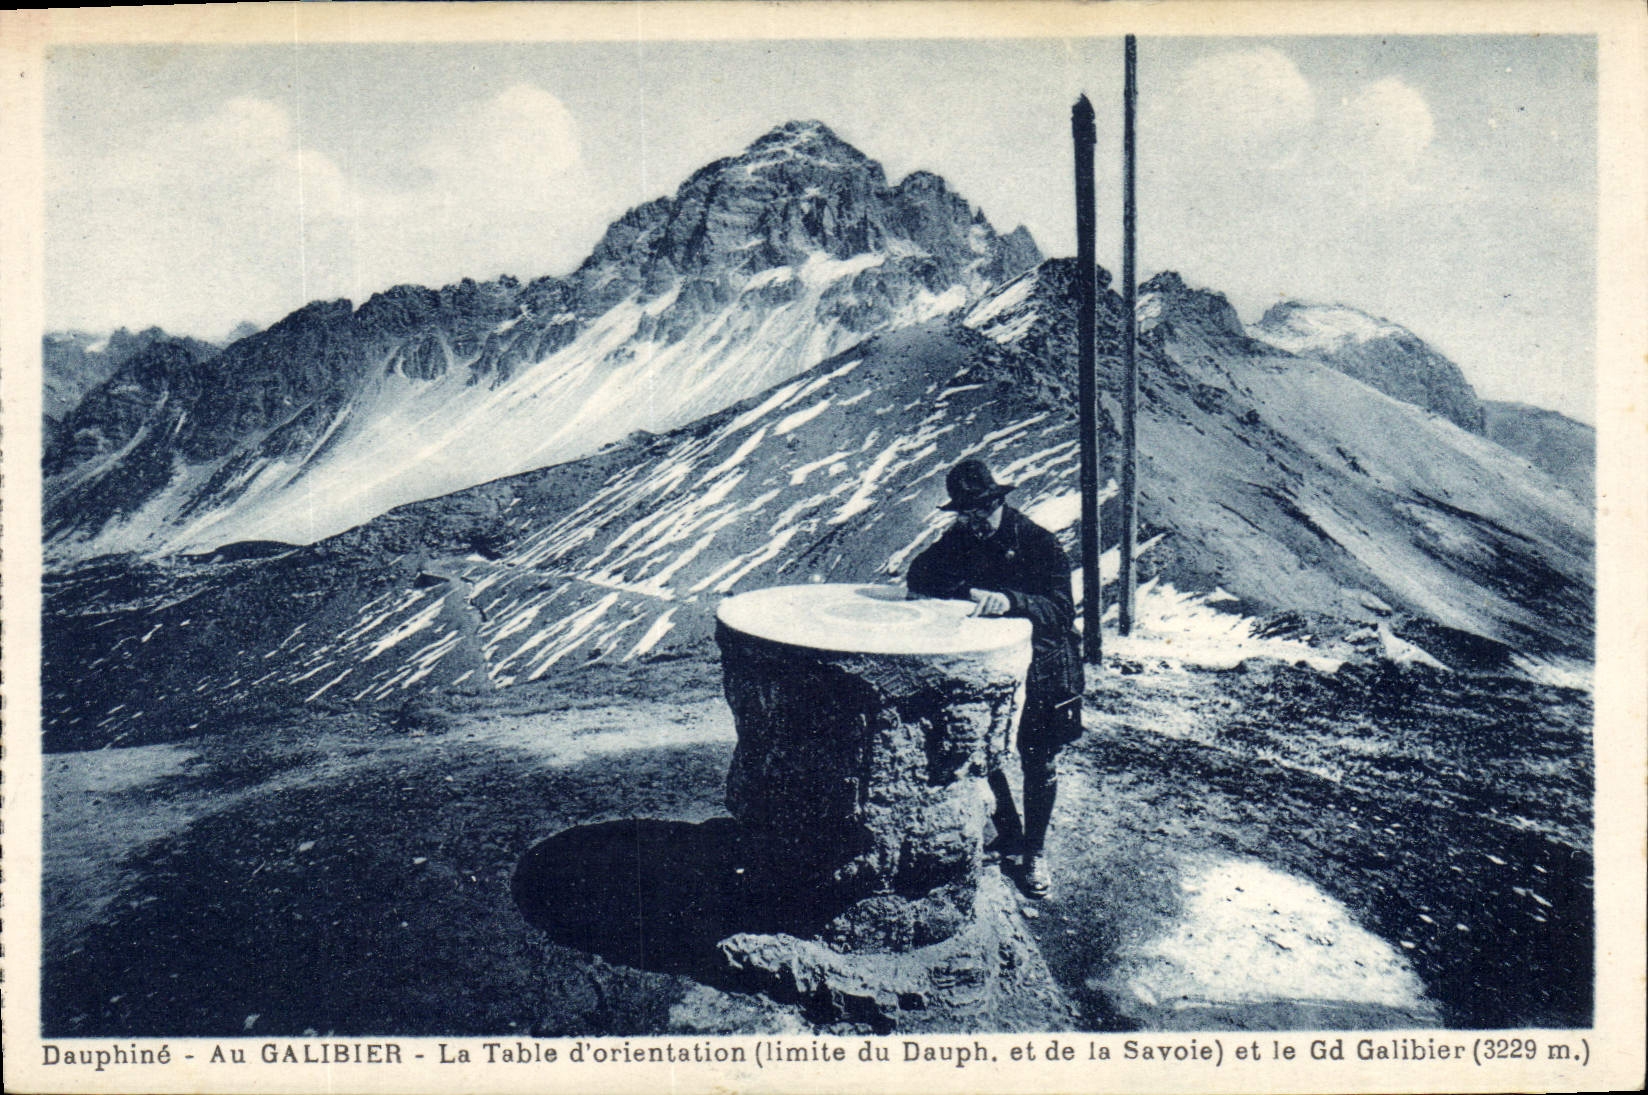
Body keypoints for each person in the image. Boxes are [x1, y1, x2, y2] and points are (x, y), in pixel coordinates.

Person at [905, 458, 1085, 899]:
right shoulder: (961, 538)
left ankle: (1035, 854)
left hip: (1046, 667)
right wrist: (964, 590)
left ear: (1000, 501)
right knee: (986, 754)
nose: (975, 523)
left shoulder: (1038, 542)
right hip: (998, 669)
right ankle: (1009, 831)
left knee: (1038, 761)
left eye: (982, 511)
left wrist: (1010, 601)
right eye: (966, 514)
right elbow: (920, 573)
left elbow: (1061, 610)